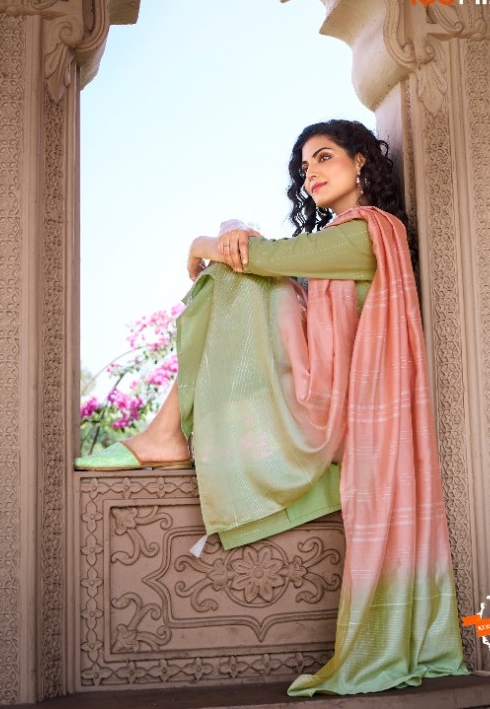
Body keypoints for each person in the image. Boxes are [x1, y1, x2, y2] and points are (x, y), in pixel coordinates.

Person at [75, 119, 468, 696]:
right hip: (329, 398)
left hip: (339, 413)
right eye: (304, 167)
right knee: (245, 271)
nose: (311, 174)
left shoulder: (364, 234)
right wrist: (231, 239)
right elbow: (267, 260)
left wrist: (202, 244)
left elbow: (261, 257)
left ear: (361, 160)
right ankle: (166, 434)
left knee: (241, 273)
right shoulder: (347, 238)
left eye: (324, 158)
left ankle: (165, 435)